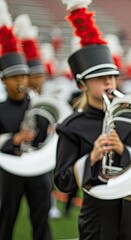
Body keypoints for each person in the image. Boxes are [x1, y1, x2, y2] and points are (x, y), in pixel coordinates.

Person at [54, 1, 131, 239]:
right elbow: (63, 182)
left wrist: (123, 150)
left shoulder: (130, 118)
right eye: (100, 78)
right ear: (81, 84)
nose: (108, 83)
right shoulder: (72, 126)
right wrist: (92, 157)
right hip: (97, 217)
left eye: (112, 77)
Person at [0, 25, 52, 240]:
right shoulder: (1, 108)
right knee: (5, 219)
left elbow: (46, 138)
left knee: (42, 220)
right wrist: (15, 139)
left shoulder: (39, 104)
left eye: (24, 75)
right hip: (9, 171)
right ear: (4, 80)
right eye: (15, 77)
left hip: (38, 169)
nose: (21, 81)